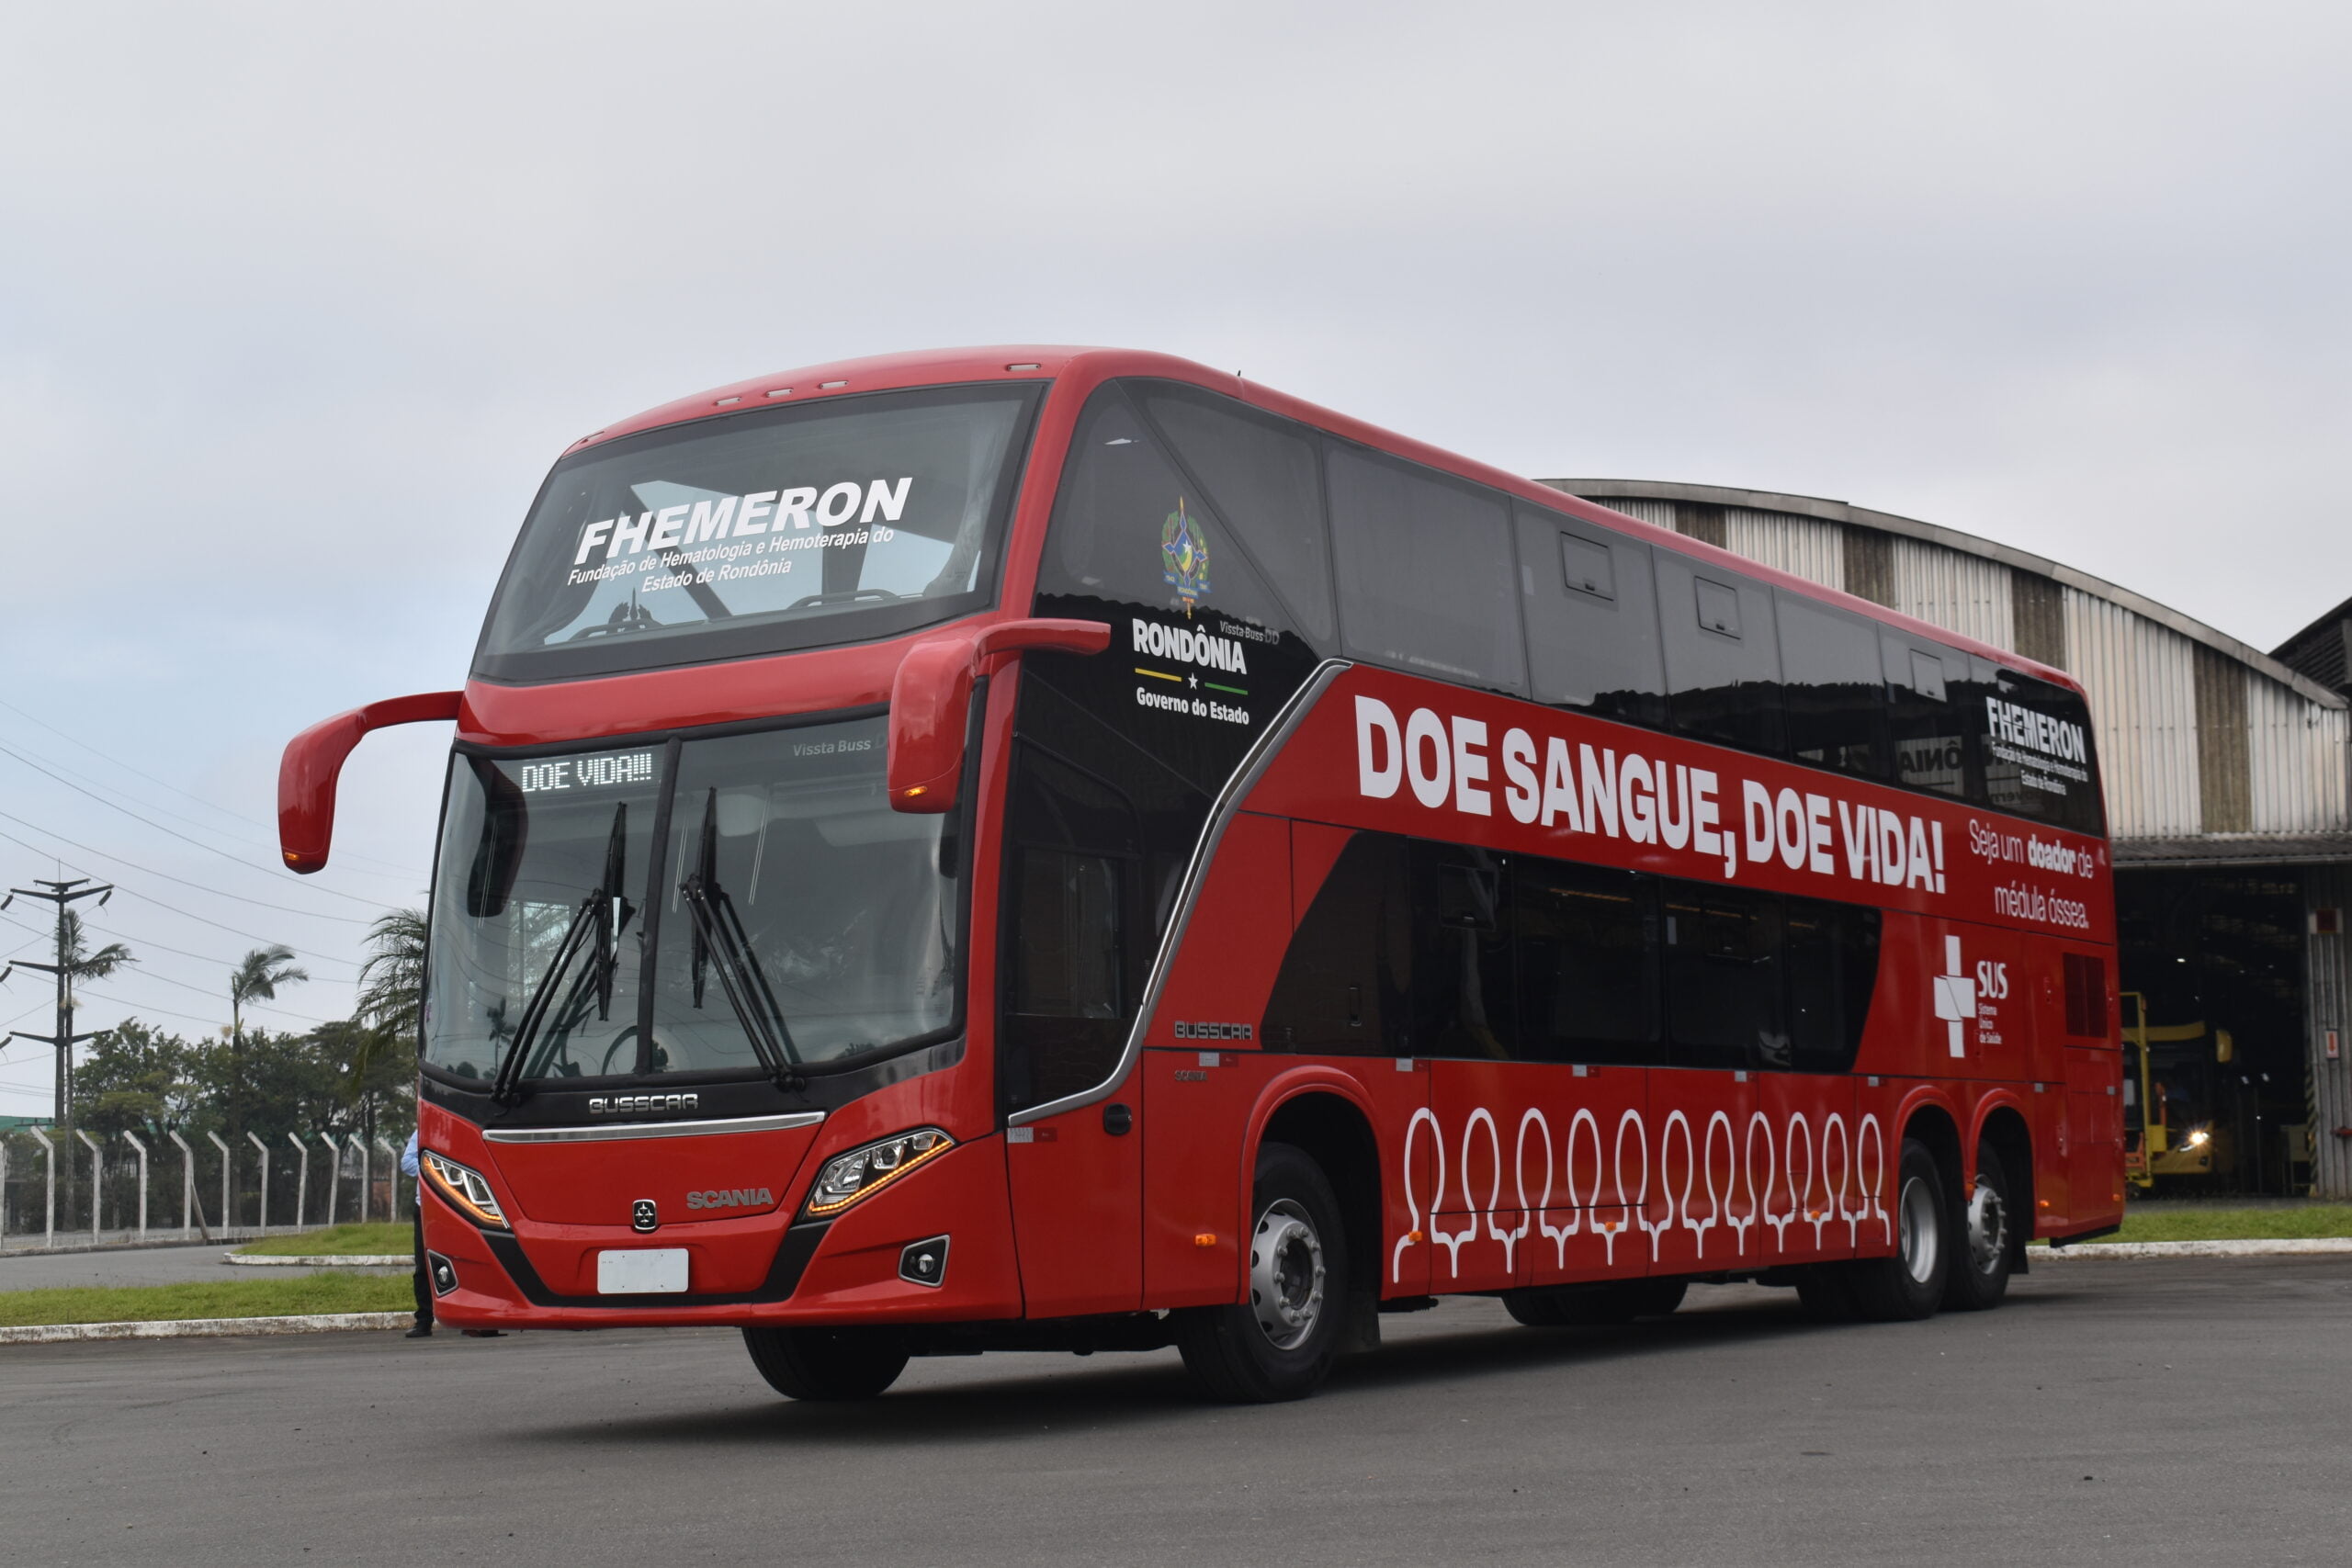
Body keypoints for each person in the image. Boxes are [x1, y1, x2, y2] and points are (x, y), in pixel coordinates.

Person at [403, 1130, 431, 1338]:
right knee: (423, 1265)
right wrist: (435, 1169)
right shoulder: (423, 1130)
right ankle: (424, 1320)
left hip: (463, 1206)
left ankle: (473, 1321)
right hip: (426, 1207)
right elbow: (407, 1162)